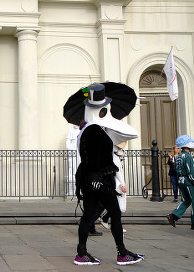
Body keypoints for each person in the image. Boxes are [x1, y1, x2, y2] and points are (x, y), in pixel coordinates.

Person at [72, 83, 144, 266]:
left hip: (90, 181)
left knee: (88, 217)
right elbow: (98, 159)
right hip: (101, 181)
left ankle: (81, 253)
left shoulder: (85, 130)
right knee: (115, 215)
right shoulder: (96, 130)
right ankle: (121, 253)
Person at [166, 135, 194, 230]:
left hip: (181, 181)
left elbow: (177, 170)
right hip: (189, 182)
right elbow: (191, 173)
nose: (193, 143)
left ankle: (174, 216)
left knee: (186, 200)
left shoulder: (178, 156)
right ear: (187, 144)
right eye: (191, 142)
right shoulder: (187, 157)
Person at [99, 142, 128, 233]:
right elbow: (118, 172)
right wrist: (123, 185)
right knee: (118, 206)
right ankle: (114, 225)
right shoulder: (114, 158)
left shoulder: (112, 157)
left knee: (115, 206)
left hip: (115, 183)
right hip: (117, 184)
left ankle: (105, 218)